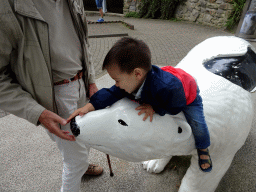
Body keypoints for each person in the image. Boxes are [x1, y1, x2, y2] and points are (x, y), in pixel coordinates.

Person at [0, 0, 103, 191]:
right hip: (55, 93)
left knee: (85, 136)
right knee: (75, 160)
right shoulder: (7, 5)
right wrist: (36, 112)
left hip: (82, 82)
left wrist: (91, 81)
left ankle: (81, 164)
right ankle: (79, 164)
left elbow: (84, 41)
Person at [68, 37, 213, 172]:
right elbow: (111, 93)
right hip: (160, 87)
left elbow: (176, 105)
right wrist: (89, 106)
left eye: (117, 80)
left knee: (198, 124)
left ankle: (203, 148)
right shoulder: (132, 80)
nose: (116, 84)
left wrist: (155, 108)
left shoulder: (168, 87)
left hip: (186, 94)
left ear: (137, 74)